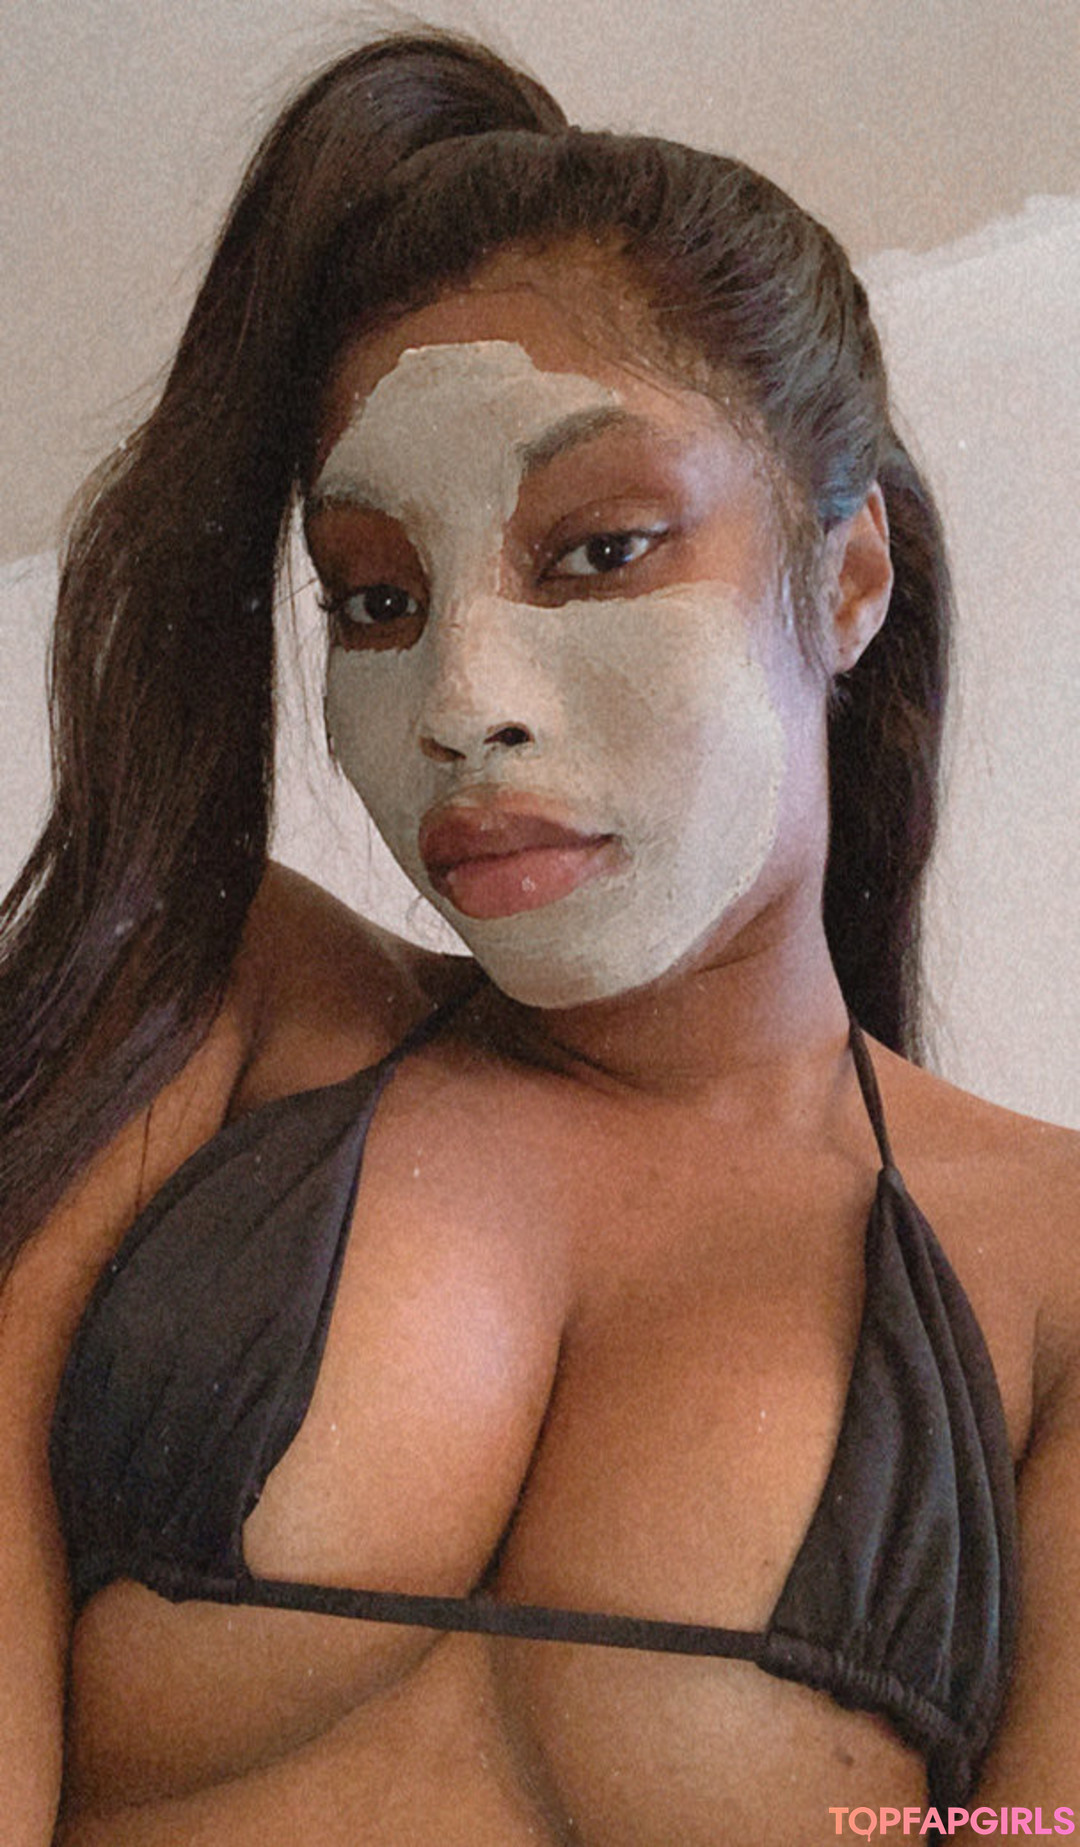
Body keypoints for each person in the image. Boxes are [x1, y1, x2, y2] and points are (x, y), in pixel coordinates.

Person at [1, 27, 1076, 1846]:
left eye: (598, 551)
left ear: (847, 579)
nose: (455, 702)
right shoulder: (222, 1005)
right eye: (377, 597)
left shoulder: (1049, 1271)